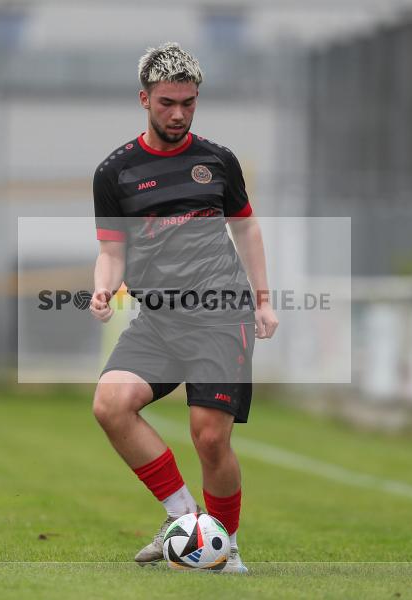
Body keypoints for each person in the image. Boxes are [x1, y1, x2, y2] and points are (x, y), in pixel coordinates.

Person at [89, 43, 278, 574]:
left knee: (209, 435)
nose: (178, 114)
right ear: (144, 99)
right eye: (167, 102)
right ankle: (185, 520)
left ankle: (227, 549)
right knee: (110, 404)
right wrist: (103, 288)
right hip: (159, 319)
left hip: (220, 312)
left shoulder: (217, 161)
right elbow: (110, 251)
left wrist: (264, 301)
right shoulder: (115, 173)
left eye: (189, 103)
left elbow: (246, 228)